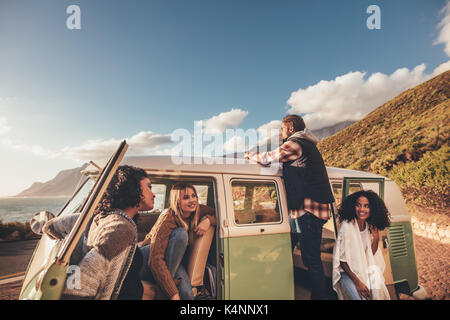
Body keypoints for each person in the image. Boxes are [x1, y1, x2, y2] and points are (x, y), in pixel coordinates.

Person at [245, 114, 335, 300]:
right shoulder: (307, 145)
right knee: (288, 247)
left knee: (311, 258)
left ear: (291, 129)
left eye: (282, 129)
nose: (280, 133)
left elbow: (269, 157)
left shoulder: (296, 143)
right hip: (301, 211)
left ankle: (320, 297)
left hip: (309, 210)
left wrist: (249, 155)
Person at [42, 165, 155, 299]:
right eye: (149, 187)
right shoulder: (121, 228)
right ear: (134, 189)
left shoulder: (90, 219)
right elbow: (84, 283)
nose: (153, 194)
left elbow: (49, 228)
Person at [139, 183, 216, 300]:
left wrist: (208, 220)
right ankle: (164, 286)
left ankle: (165, 284)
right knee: (181, 234)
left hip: (171, 259)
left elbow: (222, 216)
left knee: (187, 295)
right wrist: (172, 293)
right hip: (148, 256)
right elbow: (155, 259)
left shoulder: (199, 210)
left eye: (193, 196)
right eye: (186, 198)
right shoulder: (168, 218)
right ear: (177, 201)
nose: (192, 200)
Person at [332, 190, 391, 300]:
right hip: (347, 273)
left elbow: (369, 255)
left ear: (372, 209)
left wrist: (376, 238)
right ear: (353, 207)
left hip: (363, 269)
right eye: (358, 205)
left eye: (366, 206)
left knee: (378, 295)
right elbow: (342, 261)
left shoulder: (369, 226)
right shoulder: (347, 226)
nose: (362, 209)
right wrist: (358, 283)